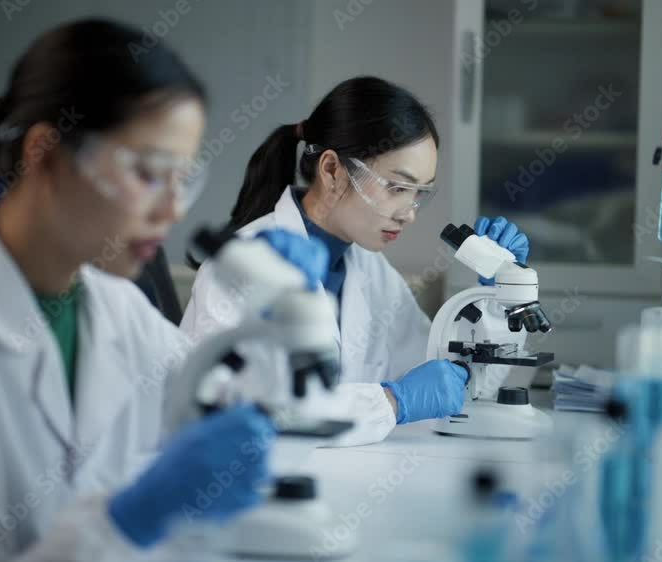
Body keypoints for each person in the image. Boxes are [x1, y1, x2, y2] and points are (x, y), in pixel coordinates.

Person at [0, 19, 328, 562]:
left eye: (182, 179)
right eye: (148, 172)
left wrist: (276, 319)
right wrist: (125, 525)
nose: (172, 211)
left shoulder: (114, 310)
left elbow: (218, 407)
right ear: (45, 154)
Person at [181, 76, 530, 446]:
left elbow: (452, 379)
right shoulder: (240, 266)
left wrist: (499, 298)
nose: (409, 213)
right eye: (397, 187)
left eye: (419, 193)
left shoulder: (369, 269)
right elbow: (236, 415)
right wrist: (392, 402)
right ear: (332, 170)